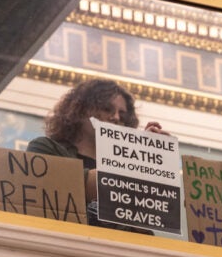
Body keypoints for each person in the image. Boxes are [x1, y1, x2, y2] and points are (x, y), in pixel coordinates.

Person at [26, 78, 164, 232]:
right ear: (82, 110)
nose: (116, 118)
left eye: (122, 115)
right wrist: (138, 156)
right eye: (106, 109)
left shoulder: (127, 165)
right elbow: (79, 186)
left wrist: (150, 156)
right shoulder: (45, 148)